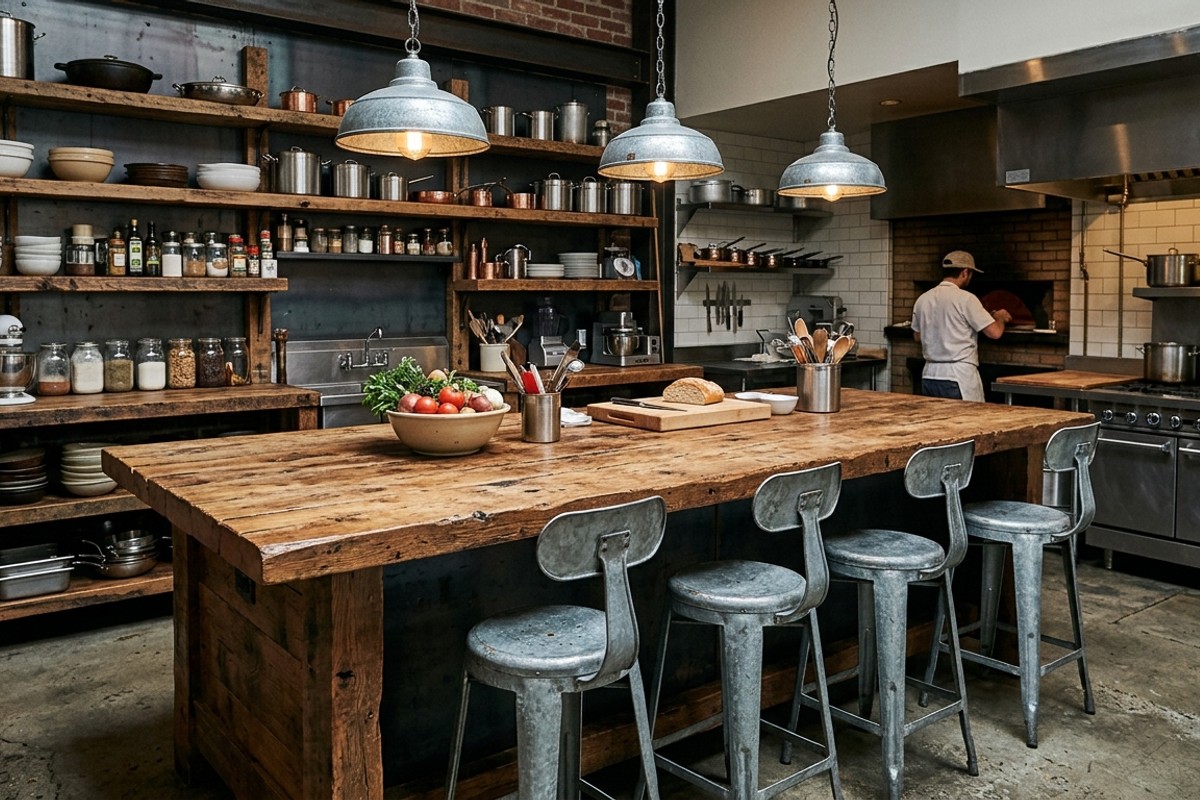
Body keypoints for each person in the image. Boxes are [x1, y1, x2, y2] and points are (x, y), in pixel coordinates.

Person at [912, 250, 1012, 402]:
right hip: (957, 376)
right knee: (966, 418)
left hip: (929, 375)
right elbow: (995, 332)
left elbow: (917, 336)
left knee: (935, 417)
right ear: (965, 272)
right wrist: (1000, 317)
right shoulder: (966, 299)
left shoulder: (923, 299)